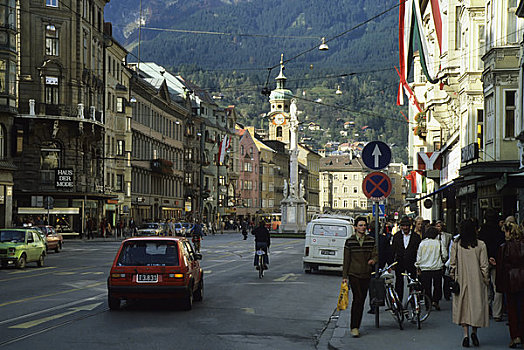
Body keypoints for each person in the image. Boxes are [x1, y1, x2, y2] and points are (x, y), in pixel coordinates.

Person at [450, 219, 489, 348]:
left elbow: (452, 264)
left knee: (463, 307)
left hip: (461, 279)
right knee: (476, 306)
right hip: (477, 280)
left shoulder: (457, 244)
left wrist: (453, 277)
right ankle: (474, 332)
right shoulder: (481, 244)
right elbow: (484, 266)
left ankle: (465, 335)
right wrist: (486, 280)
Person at [342, 216, 377, 338]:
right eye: (360, 225)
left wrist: (373, 260)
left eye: (364, 225)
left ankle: (357, 325)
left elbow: (376, 253)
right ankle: (354, 327)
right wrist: (344, 276)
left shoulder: (370, 240)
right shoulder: (350, 241)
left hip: (366, 273)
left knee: (362, 301)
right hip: (354, 274)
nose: (363, 227)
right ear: (355, 227)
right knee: (357, 298)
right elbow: (346, 259)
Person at [496, 222, 524, 348]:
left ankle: (515, 336)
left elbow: (501, 267)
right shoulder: (523, 245)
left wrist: (499, 284)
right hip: (522, 278)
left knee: (512, 309)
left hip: (510, 280)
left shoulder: (504, 247)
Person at [478, 209, 505, 322]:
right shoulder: (499, 232)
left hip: (484, 260)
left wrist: (487, 258)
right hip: (497, 261)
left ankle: (485, 309)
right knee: (497, 286)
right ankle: (497, 313)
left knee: (485, 285)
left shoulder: (482, 231)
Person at [392, 216, 421, 301]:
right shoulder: (396, 236)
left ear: (410, 226)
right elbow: (393, 250)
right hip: (399, 262)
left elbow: (419, 251)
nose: (405, 228)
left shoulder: (416, 237)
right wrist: (392, 263)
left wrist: (418, 264)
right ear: (400, 226)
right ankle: (399, 301)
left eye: (407, 226)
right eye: (403, 226)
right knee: (399, 283)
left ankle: (412, 301)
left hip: (411, 262)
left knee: (412, 282)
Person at [415, 226, 444, 310]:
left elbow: (419, 256)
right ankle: (436, 301)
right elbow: (444, 255)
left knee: (427, 287)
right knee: (437, 286)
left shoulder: (422, 243)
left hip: (425, 268)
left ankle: (428, 303)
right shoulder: (439, 243)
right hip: (436, 267)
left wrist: (418, 266)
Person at [436, 220, 452, 300]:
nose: (438, 228)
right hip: (436, 259)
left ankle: (447, 294)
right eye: (437, 226)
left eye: (439, 226)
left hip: (446, 259)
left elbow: (449, 247)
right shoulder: (433, 236)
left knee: (446, 277)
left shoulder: (448, 236)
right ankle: (438, 295)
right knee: (438, 279)